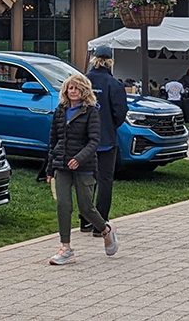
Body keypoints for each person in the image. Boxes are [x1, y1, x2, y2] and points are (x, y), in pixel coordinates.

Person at [45, 74, 118, 265]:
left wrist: (79, 158)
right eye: (70, 88)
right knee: (63, 205)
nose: (73, 91)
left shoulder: (91, 111)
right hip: (61, 165)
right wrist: (50, 168)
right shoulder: (60, 111)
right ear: (66, 91)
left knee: (86, 208)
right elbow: (53, 140)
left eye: (77, 88)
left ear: (84, 91)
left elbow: (94, 141)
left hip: (84, 166)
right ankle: (66, 248)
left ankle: (105, 230)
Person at [83, 45, 128, 240]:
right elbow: (121, 113)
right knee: (105, 181)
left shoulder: (83, 82)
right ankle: (99, 224)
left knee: (85, 180)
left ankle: (84, 220)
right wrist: (110, 125)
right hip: (106, 139)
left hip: (84, 140)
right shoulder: (115, 84)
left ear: (93, 59)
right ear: (110, 61)